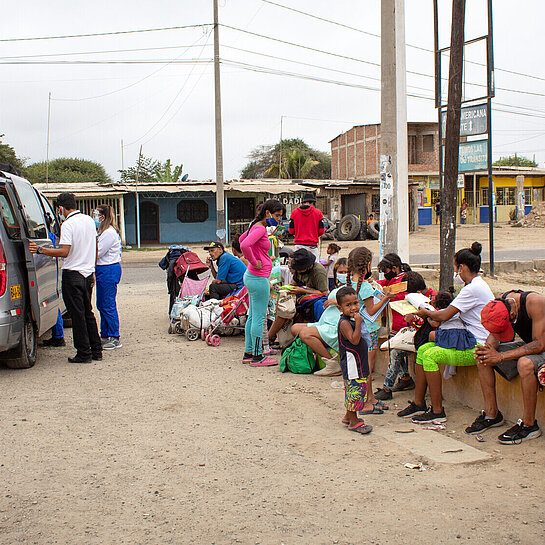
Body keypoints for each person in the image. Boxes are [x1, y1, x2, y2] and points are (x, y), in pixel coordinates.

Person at [397, 242, 493, 423]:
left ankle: (437, 410)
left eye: (456, 268)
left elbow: (445, 314)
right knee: (424, 349)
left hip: (477, 344)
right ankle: (419, 403)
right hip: (469, 338)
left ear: (462, 267)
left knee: (430, 355)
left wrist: (426, 312)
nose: (456, 272)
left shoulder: (472, 289)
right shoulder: (473, 286)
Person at [29, 193, 101, 364]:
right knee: (88, 312)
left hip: (73, 273)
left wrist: (40, 250)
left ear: (60, 208)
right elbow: (95, 247)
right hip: (87, 273)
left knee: (77, 315)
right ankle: (96, 350)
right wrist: (92, 269)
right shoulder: (88, 220)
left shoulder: (68, 224)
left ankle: (83, 353)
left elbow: (64, 251)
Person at [469, 290, 545, 444]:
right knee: (484, 358)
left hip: (541, 346)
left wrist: (501, 356)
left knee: (525, 363)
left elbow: (539, 344)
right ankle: (492, 415)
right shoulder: (501, 302)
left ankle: (529, 425)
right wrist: (488, 350)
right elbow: (495, 335)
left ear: (511, 315)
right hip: (533, 345)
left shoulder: (535, 303)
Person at [375, 271, 435, 401]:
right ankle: (404, 378)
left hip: (427, 337)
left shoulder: (430, 299)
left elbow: (430, 322)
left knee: (395, 351)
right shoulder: (424, 296)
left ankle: (387, 388)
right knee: (394, 343)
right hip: (419, 334)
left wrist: (412, 319)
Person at [348, 246, 394, 412]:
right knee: (368, 367)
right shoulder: (365, 287)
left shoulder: (350, 283)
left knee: (361, 366)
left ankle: (368, 398)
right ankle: (368, 400)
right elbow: (372, 310)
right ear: (366, 265)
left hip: (357, 328)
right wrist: (386, 298)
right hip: (369, 329)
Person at [239, 199, 284, 367]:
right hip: (258, 278)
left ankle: (249, 352)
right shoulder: (259, 228)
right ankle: (258, 356)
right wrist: (254, 259)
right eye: (277, 215)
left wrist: (260, 257)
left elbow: (243, 238)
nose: (279, 219)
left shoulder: (255, 226)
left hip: (253, 276)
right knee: (258, 318)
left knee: (252, 317)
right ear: (268, 213)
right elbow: (244, 244)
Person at [267, 249, 329, 344]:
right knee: (283, 310)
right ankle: (270, 338)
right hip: (299, 294)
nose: (298, 271)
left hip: (314, 298)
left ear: (309, 266)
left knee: (286, 311)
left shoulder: (318, 272)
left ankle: (268, 339)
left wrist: (302, 290)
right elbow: (294, 283)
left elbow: (324, 292)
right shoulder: (298, 269)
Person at [336, 286, 373, 435]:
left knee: (357, 390)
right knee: (354, 390)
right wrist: (358, 323)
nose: (353, 308)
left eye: (355, 303)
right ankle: (353, 421)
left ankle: (348, 416)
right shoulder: (345, 323)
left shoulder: (351, 319)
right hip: (352, 365)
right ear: (340, 308)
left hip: (359, 362)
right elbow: (354, 340)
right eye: (348, 305)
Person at [94, 204, 123, 350]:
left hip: (108, 269)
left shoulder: (109, 233)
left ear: (102, 217)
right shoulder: (102, 232)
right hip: (102, 269)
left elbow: (98, 252)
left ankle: (114, 336)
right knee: (102, 304)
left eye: (96, 215)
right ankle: (104, 334)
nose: (95, 218)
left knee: (108, 304)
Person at [288, 193, 325, 260]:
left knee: (300, 266)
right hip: (312, 245)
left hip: (299, 245)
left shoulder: (294, 213)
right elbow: (321, 231)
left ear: (303, 202)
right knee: (314, 267)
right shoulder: (318, 213)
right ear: (312, 202)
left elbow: (291, 230)